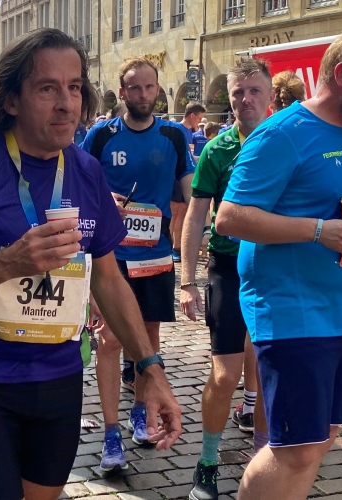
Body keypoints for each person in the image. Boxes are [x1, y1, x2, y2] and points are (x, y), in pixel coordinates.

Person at [0, 30, 182, 499]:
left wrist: (150, 369)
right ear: (11, 100)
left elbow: (108, 279)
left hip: (59, 377)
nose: (66, 103)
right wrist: (7, 263)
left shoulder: (86, 170)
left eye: (74, 87)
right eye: (47, 88)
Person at [214, 26, 342, 499]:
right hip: (291, 312)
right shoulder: (284, 133)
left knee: (320, 439)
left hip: (338, 312)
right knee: (294, 448)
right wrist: (317, 231)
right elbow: (229, 217)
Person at [79, 56, 193, 472]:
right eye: (134, 88)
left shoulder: (175, 135)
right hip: (111, 256)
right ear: (123, 91)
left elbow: (192, 192)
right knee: (109, 341)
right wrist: (104, 200)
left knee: (148, 340)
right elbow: (78, 183)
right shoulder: (101, 135)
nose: (142, 95)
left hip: (156, 257)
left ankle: (141, 411)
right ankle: (111, 432)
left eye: (149, 87)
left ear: (158, 90)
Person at [180, 58, 274, 500]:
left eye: (254, 91)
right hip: (229, 269)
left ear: (270, 95)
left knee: (270, 369)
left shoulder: (285, 142)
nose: (245, 99)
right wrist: (186, 281)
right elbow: (196, 214)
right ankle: (207, 462)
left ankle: (262, 457)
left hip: (275, 271)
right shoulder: (217, 150)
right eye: (238, 92)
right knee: (224, 374)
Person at [172, 102, 206, 262]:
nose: (199, 123)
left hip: (187, 175)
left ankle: (177, 246)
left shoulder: (190, 132)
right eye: (199, 118)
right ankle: (170, 246)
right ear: (192, 115)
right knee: (175, 212)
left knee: (183, 211)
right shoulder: (178, 129)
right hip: (176, 177)